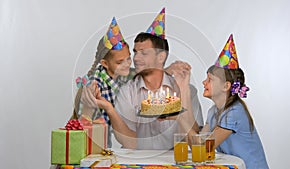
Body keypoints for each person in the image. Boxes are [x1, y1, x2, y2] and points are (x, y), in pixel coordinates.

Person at [86, 8, 204, 150]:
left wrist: (183, 91)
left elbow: (195, 141)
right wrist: (110, 109)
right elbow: (130, 143)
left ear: (161, 57)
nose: (136, 58)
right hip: (137, 160)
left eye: (144, 53)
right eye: (135, 52)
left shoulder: (187, 90)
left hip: (174, 161)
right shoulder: (127, 91)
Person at [198, 34, 269, 168]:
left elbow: (204, 149)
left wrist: (181, 117)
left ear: (226, 86)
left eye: (210, 79)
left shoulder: (234, 112)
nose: (204, 82)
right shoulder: (213, 111)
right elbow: (199, 141)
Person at [73, 17, 132, 148]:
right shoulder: (95, 86)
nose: (127, 64)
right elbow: (84, 127)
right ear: (105, 63)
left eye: (129, 59)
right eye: (120, 62)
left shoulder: (121, 75)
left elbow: (138, 73)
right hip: (95, 148)